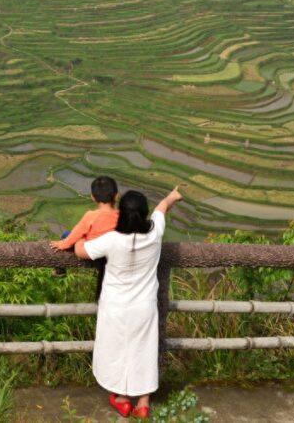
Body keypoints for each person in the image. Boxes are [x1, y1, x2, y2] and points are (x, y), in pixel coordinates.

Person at [75, 186, 183, 419]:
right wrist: (173, 196)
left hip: (115, 306)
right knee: (143, 351)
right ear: (143, 213)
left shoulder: (111, 240)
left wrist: (79, 236)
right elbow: (162, 208)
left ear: (121, 213)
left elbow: (81, 252)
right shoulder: (154, 234)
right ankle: (143, 404)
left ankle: (122, 399)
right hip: (144, 307)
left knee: (115, 349)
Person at [49, 176, 119, 299]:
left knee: (66, 234)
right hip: (111, 254)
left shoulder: (91, 215)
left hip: (91, 252)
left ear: (92, 196)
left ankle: (60, 270)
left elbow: (76, 233)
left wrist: (63, 244)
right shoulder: (121, 215)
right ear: (116, 196)